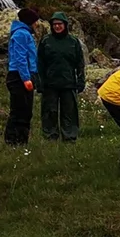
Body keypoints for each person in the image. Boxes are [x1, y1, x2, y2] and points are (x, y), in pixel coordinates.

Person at [36, 11, 86, 142]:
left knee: (69, 113)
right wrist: (39, 81)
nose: (57, 26)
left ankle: (69, 138)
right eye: (54, 24)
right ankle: (50, 137)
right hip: (50, 84)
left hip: (68, 83)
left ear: (65, 25)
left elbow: (80, 63)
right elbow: (40, 63)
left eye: (60, 24)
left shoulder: (73, 42)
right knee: (49, 112)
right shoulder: (46, 41)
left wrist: (81, 80)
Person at [3, 5, 39, 145]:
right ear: (30, 21)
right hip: (19, 77)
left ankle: (21, 141)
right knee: (19, 110)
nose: (36, 24)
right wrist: (26, 78)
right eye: (35, 21)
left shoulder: (24, 33)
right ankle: (13, 141)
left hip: (23, 76)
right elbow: (20, 58)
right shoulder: (21, 34)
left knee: (25, 111)